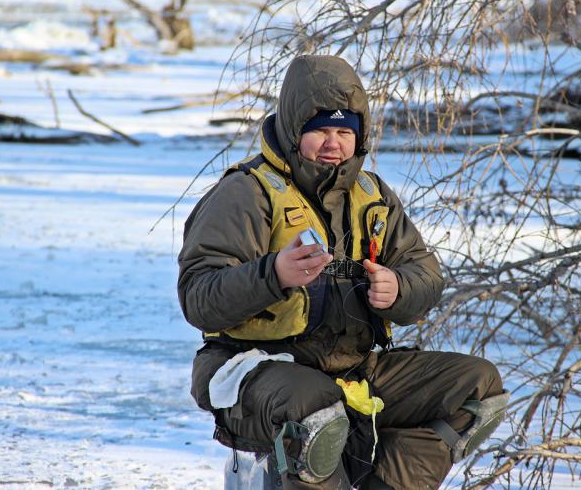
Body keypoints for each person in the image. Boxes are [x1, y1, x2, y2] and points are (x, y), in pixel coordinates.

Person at [178, 55, 509, 489]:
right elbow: (199, 297)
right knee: (316, 412)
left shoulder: (373, 195)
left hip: (354, 369)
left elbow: (425, 274)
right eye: (320, 130)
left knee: (476, 388)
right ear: (295, 130)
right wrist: (273, 274)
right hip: (251, 370)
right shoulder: (246, 192)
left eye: (344, 131)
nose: (333, 143)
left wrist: (399, 288)